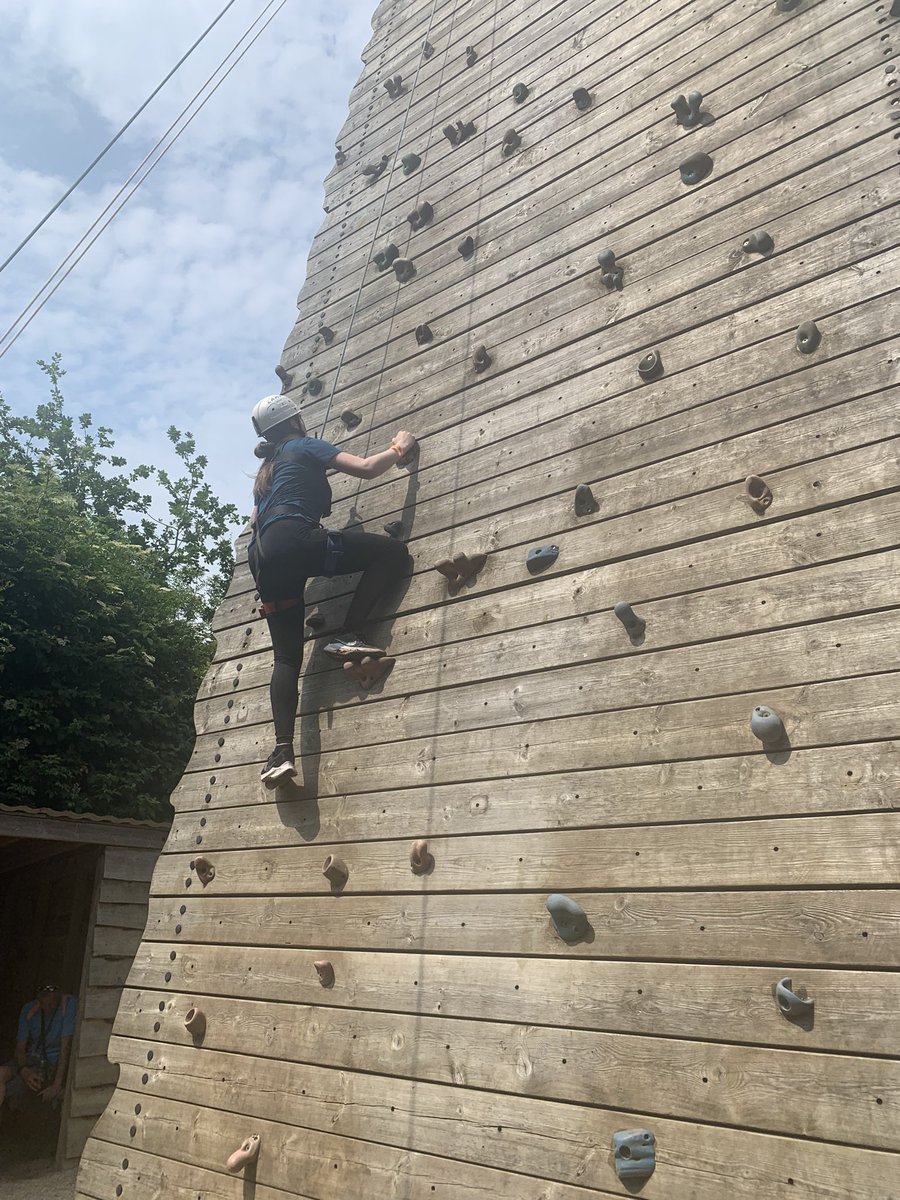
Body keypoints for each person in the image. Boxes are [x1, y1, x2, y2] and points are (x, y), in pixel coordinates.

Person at [248, 394, 415, 787]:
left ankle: (281, 751)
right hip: (294, 541)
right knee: (393, 554)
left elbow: (257, 523)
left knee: (286, 658)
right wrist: (399, 447)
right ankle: (349, 634)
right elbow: (367, 468)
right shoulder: (304, 445)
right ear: (295, 421)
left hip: (262, 560)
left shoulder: (265, 474)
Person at [0, 983, 77, 1122]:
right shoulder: (29, 1009)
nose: (48, 1006)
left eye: (52, 1002)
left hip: (49, 1065)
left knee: (16, 1088)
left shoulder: (69, 1004)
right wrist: (24, 1071)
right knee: (2, 1074)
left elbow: (66, 1046)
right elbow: (20, 1048)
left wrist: (56, 1085)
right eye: (43, 1001)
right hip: (29, 1061)